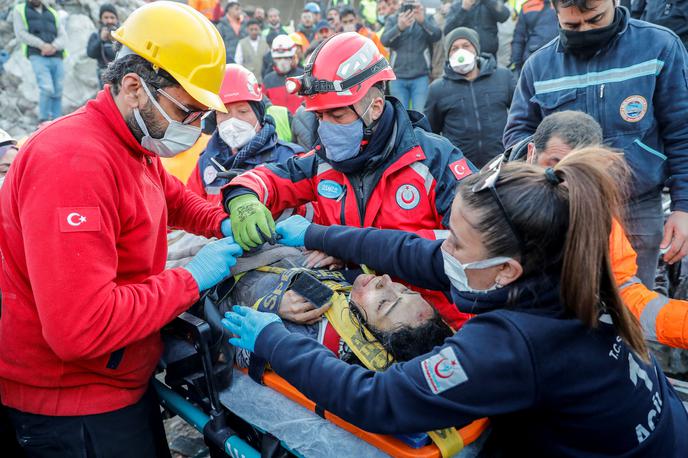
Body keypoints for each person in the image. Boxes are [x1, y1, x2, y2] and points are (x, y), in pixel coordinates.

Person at [224, 147, 688, 456]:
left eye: (457, 244)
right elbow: (409, 252)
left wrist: (277, 342)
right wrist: (313, 232)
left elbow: (378, 401)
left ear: (506, 270)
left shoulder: (511, 346)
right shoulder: (562, 262)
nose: (442, 248)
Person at [0, 3, 244, 456]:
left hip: (115, 381)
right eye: (187, 111)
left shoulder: (131, 143)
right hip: (73, 406)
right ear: (134, 87)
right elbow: (81, 326)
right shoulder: (73, 164)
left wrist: (222, 219)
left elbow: (172, 197)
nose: (194, 128)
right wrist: (190, 279)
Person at [223, 33, 477, 329]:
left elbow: (470, 253)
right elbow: (272, 178)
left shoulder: (437, 160)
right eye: (319, 116)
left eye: (337, 115)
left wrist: (347, 249)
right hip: (358, 320)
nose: (326, 128)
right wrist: (242, 197)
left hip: (439, 324)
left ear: (376, 107)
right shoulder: (323, 161)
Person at [503, 0, 688, 289]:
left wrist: (684, 207)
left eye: (596, 19)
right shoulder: (538, 67)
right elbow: (518, 134)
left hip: (637, 207)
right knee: (571, 306)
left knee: (632, 307)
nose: (585, 30)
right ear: (555, 11)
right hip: (566, 212)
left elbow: (682, 131)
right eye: (572, 26)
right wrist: (544, 163)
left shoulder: (660, 47)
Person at [521, 110, 688, 349]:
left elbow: (624, 293)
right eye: (554, 165)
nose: (565, 182)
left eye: (579, 170)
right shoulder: (488, 202)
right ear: (531, 154)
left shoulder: (596, 209)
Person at [228, 247, 452, 366]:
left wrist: (270, 308)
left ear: (370, 339)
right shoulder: (353, 299)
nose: (385, 280)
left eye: (384, 303)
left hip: (222, 284)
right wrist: (340, 259)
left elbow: (232, 346)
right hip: (256, 254)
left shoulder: (313, 342)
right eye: (403, 290)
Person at [187, 64, 303, 206]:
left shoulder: (289, 159)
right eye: (224, 113)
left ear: (259, 115)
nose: (232, 121)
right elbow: (191, 210)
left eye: (242, 111)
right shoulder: (207, 161)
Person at [426, 27, 514, 168]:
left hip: (501, 162)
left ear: (476, 49)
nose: (461, 51)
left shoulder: (503, 77)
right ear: (448, 54)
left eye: (466, 46)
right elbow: (430, 132)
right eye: (454, 48)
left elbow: (520, 115)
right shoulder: (437, 89)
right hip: (460, 167)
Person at [381, 1, 442, 112]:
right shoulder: (393, 19)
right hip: (397, 77)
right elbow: (384, 41)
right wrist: (399, 27)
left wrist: (423, 22)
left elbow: (437, 36)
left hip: (421, 76)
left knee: (421, 114)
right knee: (400, 116)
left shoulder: (426, 17)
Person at [13, 0, 66, 123]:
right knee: (47, 88)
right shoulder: (20, 10)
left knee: (58, 90)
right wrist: (42, 45)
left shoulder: (52, 12)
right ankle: (42, 121)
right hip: (37, 55)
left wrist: (53, 46)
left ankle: (56, 121)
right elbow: (20, 33)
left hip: (56, 55)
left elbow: (63, 36)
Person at [444, 0, 511, 57]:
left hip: (489, 56)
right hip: (465, 56)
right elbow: (447, 30)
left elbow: (504, 16)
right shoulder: (457, 5)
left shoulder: (489, 2)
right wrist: (463, 10)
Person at [509, 0, 558, 73]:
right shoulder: (565, 4)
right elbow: (519, 39)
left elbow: (518, 40)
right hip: (558, 59)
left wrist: (516, 66)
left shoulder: (527, 6)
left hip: (533, 59)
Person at [262, 35, 305, 115]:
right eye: (279, 58)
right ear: (273, 59)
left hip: (301, 124)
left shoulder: (303, 76)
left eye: (286, 57)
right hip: (278, 126)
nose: (282, 61)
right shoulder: (268, 80)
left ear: (293, 57)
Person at [86, 3, 119, 89]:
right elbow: (90, 53)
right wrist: (101, 39)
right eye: (106, 17)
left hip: (120, 72)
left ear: (117, 19)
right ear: (101, 19)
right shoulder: (95, 35)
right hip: (103, 73)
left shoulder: (122, 35)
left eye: (112, 17)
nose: (109, 21)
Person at [235, 18, 270, 83]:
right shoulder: (241, 43)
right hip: (247, 81)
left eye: (256, 29)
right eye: (251, 29)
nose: (254, 32)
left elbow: (268, 62)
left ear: (259, 29)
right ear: (247, 30)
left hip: (262, 80)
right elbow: (238, 63)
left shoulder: (265, 43)